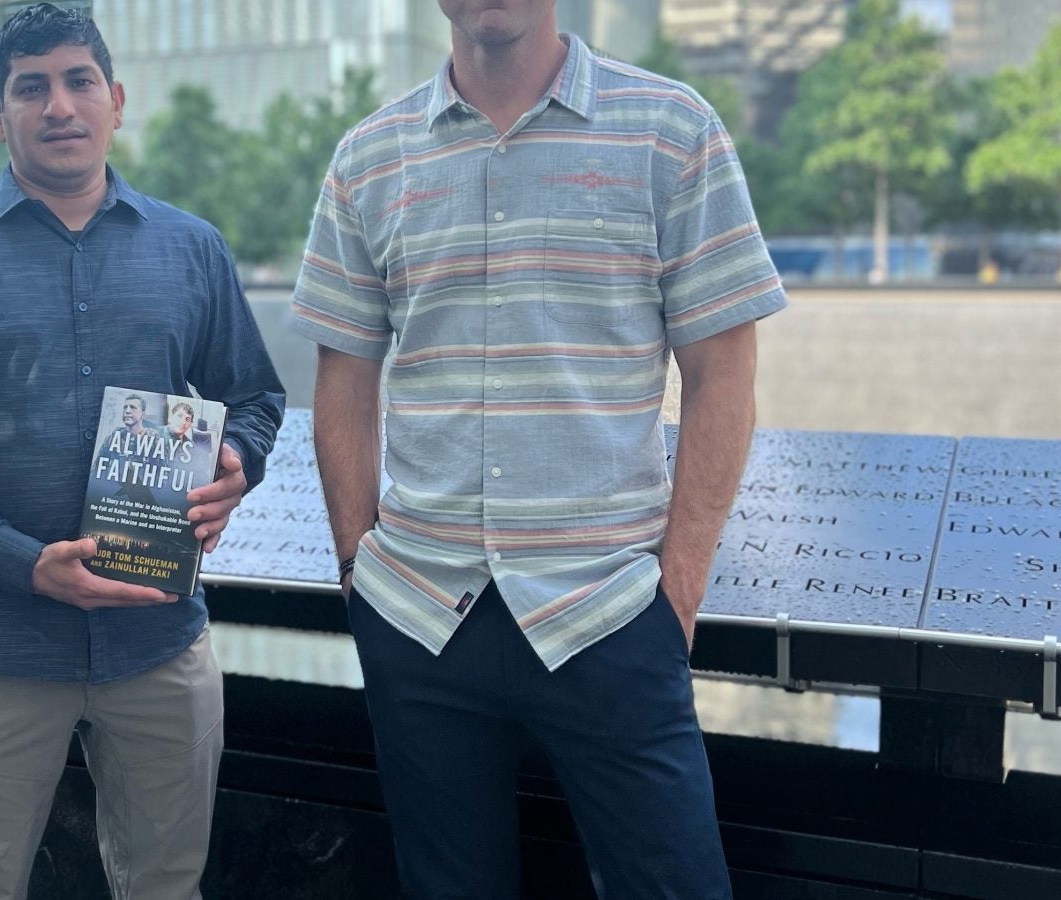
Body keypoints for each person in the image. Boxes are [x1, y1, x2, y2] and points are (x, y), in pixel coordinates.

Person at [292, 2, 786, 897]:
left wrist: (676, 591)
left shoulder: (672, 130)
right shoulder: (369, 155)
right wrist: (357, 568)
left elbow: (723, 378)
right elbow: (343, 375)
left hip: (611, 608)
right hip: (420, 612)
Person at [0, 5, 285, 899]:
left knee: (166, 888)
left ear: (116, 100)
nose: (59, 105)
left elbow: (256, 396)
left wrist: (236, 462)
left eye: (79, 81)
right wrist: (23, 564)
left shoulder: (192, 249)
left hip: (159, 647)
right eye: (31, 87)